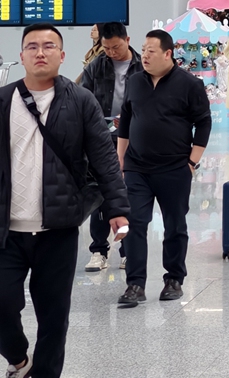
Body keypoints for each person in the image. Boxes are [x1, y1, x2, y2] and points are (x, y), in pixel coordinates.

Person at [0, 24, 131, 378]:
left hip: (56, 228)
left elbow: (104, 157)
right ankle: (19, 360)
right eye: (32, 46)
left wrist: (117, 208)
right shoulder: (3, 100)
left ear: (62, 54)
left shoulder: (80, 100)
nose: (40, 52)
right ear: (22, 55)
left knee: (53, 317)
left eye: (48, 46)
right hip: (6, 230)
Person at [116, 29, 211, 307]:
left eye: (151, 51)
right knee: (134, 224)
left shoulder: (189, 84)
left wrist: (192, 161)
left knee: (174, 225)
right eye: (143, 50)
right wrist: (121, 160)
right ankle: (135, 284)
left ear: (168, 54)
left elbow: (203, 122)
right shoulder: (135, 81)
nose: (144, 55)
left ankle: (174, 279)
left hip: (174, 168)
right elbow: (126, 119)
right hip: (136, 167)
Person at [77, 22, 142, 272]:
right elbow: (85, 100)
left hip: (134, 138)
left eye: (116, 47)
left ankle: (127, 251)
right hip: (103, 139)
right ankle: (98, 250)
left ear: (127, 39)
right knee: (101, 195)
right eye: (106, 48)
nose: (111, 52)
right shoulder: (96, 66)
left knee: (129, 194)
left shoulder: (141, 65)